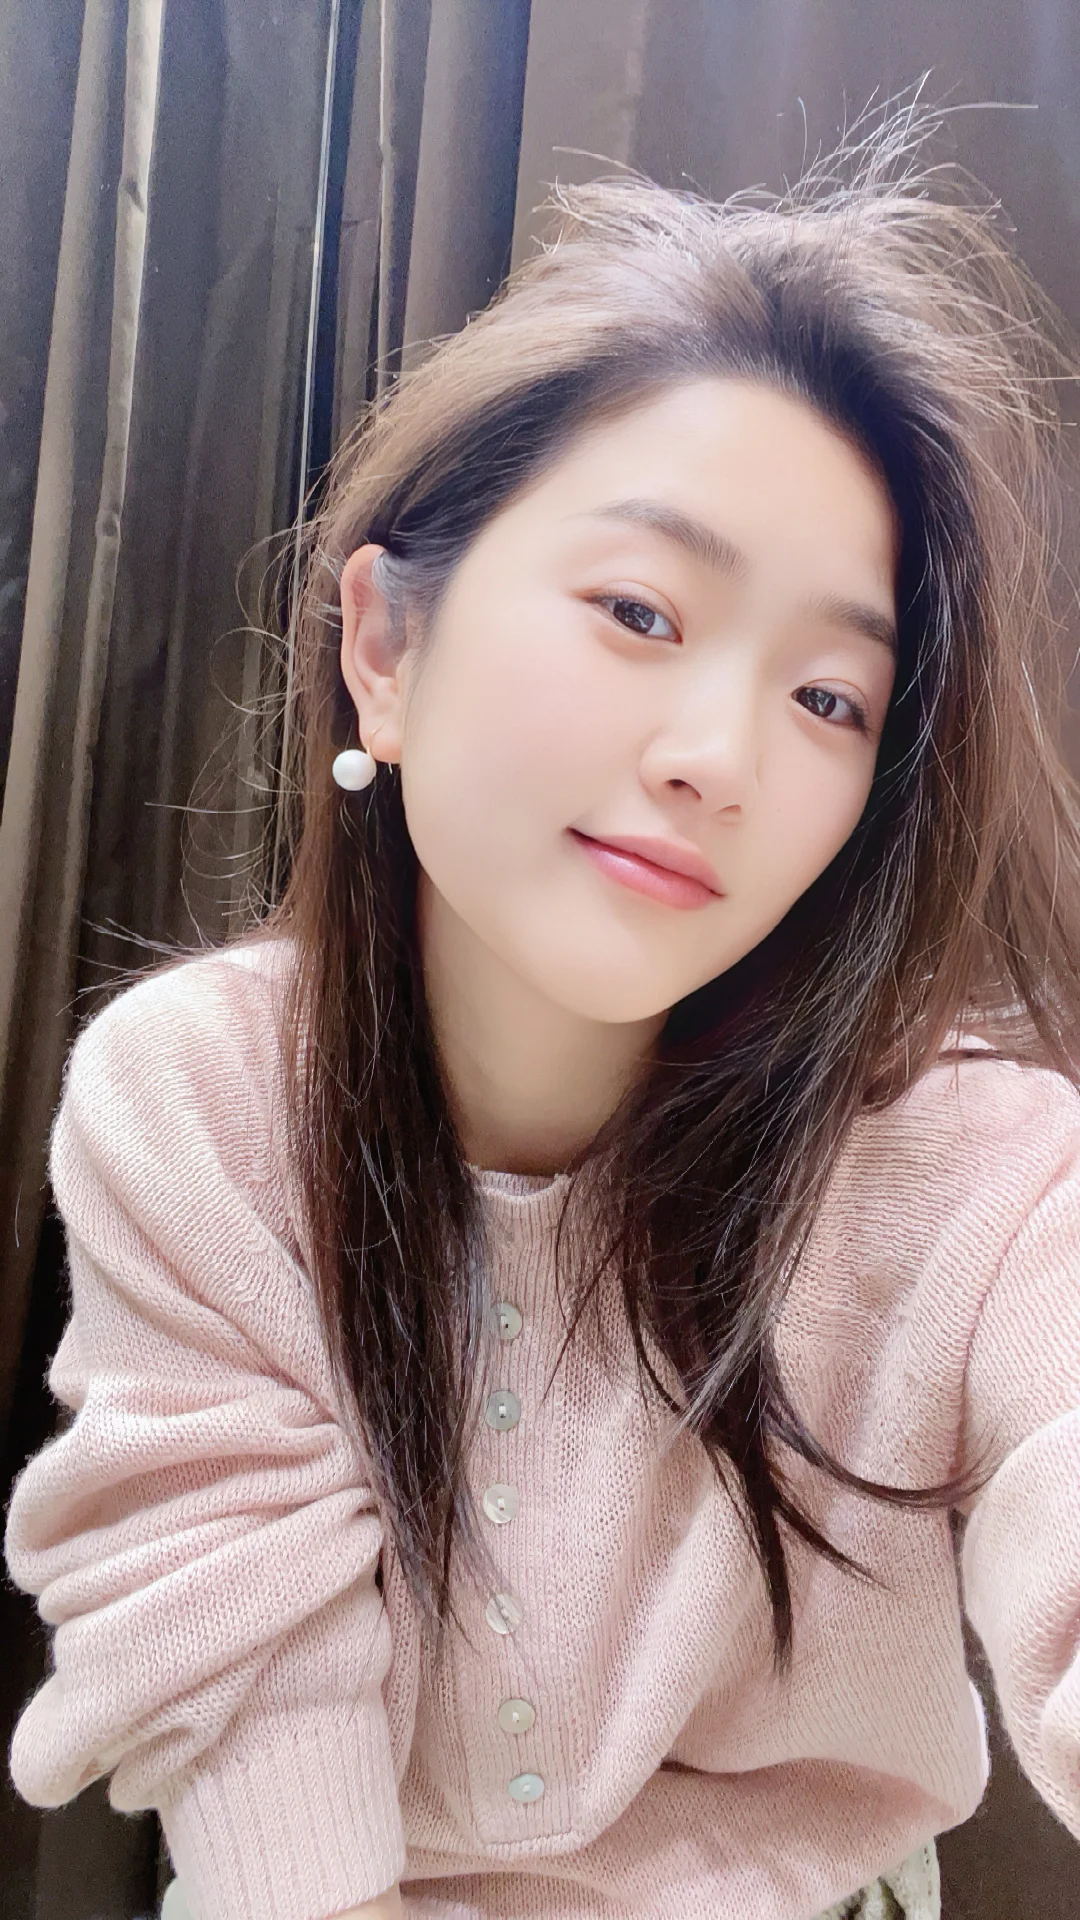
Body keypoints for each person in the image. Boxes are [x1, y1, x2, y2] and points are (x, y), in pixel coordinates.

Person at [5, 100, 1080, 1920]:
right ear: (385, 648)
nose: (719, 754)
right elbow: (250, 1719)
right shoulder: (198, 1101)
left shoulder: (982, 1171)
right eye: (641, 611)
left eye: (829, 699)